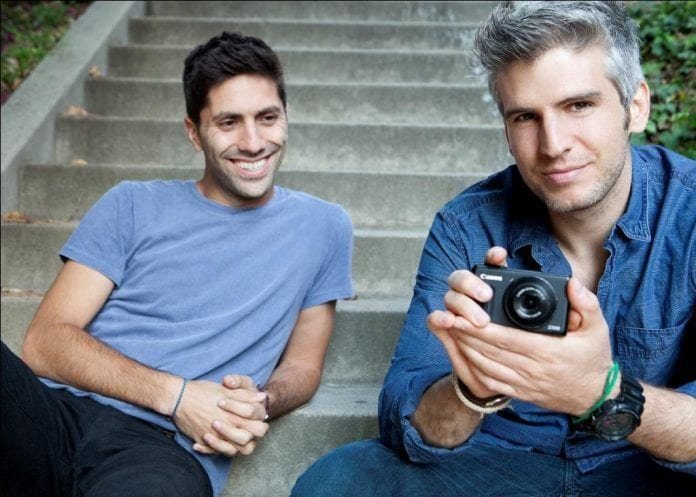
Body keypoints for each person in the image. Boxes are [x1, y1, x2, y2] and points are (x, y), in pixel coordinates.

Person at [291, 2, 695, 496]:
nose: (553, 144)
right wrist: (473, 386)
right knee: (339, 481)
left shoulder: (689, 212)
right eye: (526, 116)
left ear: (636, 106)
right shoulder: (467, 225)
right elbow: (408, 423)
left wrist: (603, 393)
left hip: (648, 466)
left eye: (579, 106)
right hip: (501, 464)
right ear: (507, 129)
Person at [0, 31, 354, 497]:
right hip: (55, 414)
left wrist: (259, 402)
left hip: (159, 451)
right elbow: (45, 343)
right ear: (194, 132)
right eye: (229, 122)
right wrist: (178, 396)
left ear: (285, 118)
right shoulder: (131, 204)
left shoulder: (324, 226)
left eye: (267, 118)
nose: (253, 142)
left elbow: (303, 367)